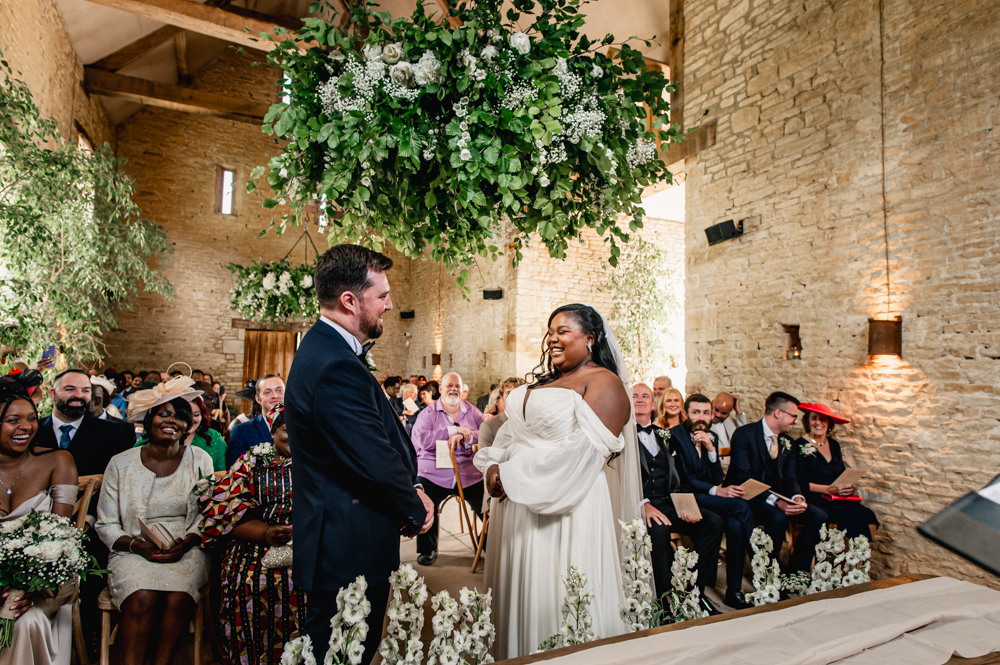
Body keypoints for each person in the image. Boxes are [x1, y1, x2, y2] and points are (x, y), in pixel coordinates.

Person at [285, 244, 433, 665]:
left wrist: (413, 486)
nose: (389, 305)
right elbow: (371, 458)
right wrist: (414, 506)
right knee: (339, 652)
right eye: (382, 296)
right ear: (349, 300)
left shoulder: (327, 351)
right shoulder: (333, 364)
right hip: (345, 544)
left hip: (344, 537)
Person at [474, 304, 643, 659]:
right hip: (517, 505)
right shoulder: (546, 381)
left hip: (564, 505)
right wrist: (492, 464)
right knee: (520, 592)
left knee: (552, 600)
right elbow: (510, 435)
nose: (552, 338)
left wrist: (508, 473)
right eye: (550, 331)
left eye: (563, 331)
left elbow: (578, 457)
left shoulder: (605, 384)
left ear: (591, 338)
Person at [96, 384, 212, 665]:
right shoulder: (120, 464)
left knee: (177, 596)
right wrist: (139, 546)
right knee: (142, 596)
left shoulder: (200, 459)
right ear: (149, 420)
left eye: (180, 416)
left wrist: (188, 542)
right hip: (133, 546)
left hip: (186, 546)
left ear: (188, 426)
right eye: (164, 414)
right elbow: (106, 523)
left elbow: (208, 515)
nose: (172, 421)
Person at [201, 403, 304, 664]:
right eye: (286, 429)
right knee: (251, 582)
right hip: (256, 545)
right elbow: (221, 510)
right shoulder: (252, 462)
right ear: (272, 431)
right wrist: (266, 534)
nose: (296, 434)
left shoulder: (320, 462)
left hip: (309, 545)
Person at [0, 375, 79, 665]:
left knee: (22, 621)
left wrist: (25, 587)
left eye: (32, 418)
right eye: (13, 420)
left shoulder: (58, 461)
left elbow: (59, 536)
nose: (26, 427)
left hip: (46, 576)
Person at [631, 383, 724, 616]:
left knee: (713, 523)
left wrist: (685, 506)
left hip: (669, 503)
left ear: (653, 405)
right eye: (634, 396)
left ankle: (696, 594)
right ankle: (663, 605)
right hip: (638, 505)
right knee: (660, 531)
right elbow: (616, 482)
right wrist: (644, 505)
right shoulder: (620, 438)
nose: (640, 399)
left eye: (646, 396)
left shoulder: (666, 437)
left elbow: (680, 479)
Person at [669, 393, 755, 609]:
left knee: (735, 525)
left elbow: (716, 477)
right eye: (696, 412)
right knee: (741, 506)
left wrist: (710, 451)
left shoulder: (711, 437)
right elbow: (686, 480)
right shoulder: (673, 436)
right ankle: (760, 558)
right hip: (686, 497)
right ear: (685, 413)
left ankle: (733, 590)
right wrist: (719, 491)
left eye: (706, 413)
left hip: (707, 496)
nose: (702, 418)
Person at [723, 391, 826, 572]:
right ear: (778, 413)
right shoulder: (744, 434)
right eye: (793, 416)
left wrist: (797, 497)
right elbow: (743, 478)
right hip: (746, 497)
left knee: (819, 516)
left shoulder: (787, 441)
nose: (795, 421)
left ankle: (795, 572)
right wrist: (776, 501)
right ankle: (767, 572)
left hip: (778, 497)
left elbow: (791, 477)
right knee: (777, 517)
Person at [409, 372, 485, 566]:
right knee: (424, 499)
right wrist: (453, 431)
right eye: (449, 385)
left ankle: (486, 541)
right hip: (434, 473)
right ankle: (428, 549)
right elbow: (421, 439)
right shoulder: (428, 413)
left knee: (489, 502)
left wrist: (467, 436)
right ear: (440, 389)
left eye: (457, 386)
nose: (454, 389)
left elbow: (486, 434)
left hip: (468, 473)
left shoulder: (473, 412)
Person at [794, 403, 879, 540]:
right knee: (853, 515)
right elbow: (797, 482)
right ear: (807, 422)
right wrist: (828, 490)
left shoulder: (833, 445)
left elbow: (840, 473)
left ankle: (860, 556)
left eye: (823, 419)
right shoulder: (797, 446)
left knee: (869, 515)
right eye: (814, 418)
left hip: (836, 496)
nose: (818, 422)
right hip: (815, 497)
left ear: (829, 424)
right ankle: (853, 556)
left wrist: (849, 485)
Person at [33, 369, 135, 476]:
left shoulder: (114, 432)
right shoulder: (33, 430)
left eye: (85, 391)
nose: (78, 395)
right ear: (53, 394)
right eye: (70, 389)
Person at [134, 396, 226, 472]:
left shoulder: (211, 443)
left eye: (196, 415)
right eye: (165, 415)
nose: (191, 420)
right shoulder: (154, 437)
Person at [227, 374, 285, 468]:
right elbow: (234, 470)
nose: (275, 395)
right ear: (258, 399)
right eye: (267, 392)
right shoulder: (242, 431)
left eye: (279, 390)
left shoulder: (302, 427)